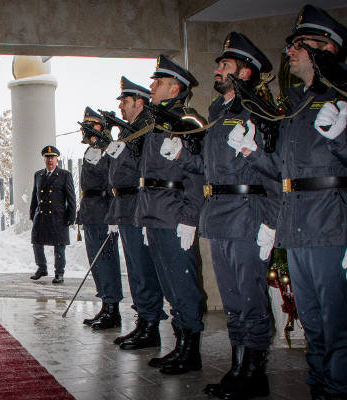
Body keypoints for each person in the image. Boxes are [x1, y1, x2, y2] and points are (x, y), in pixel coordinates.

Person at [239, 6, 347, 399]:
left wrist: (341, 137)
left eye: (301, 45)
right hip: (297, 224)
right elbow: (283, 171)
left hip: (332, 224)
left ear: (327, 49)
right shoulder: (297, 104)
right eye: (293, 45)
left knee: (338, 323)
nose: (292, 52)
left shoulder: (342, 97)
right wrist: (252, 152)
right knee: (313, 321)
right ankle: (320, 386)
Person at [162, 34, 279, 396]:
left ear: (245, 71)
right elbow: (209, 167)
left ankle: (254, 373)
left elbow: (278, 172)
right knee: (232, 301)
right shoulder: (218, 112)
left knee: (249, 297)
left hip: (247, 214)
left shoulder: (260, 111)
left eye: (225, 65)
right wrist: (182, 154)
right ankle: (238, 368)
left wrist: (271, 222)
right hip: (220, 215)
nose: (216, 69)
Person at [133, 54, 207, 375]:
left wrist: (191, 218)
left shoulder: (188, 123)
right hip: (155, 215)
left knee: (184, 284)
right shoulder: (157, 123)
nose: (152, 86)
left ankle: (191, 351)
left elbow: (197, 175)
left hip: (177, 216)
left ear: (175, 87)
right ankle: (179, 345)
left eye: (158, 82)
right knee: (170, 285)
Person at [104, 77, 167, 350]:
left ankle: (150, 324)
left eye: (125, 102)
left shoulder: (147, 129)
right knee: (135, 269)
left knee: (143, 268)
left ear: (139, 102)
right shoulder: (129, 131)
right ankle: (143, 321)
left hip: (139, 204)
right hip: (126, 206)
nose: (121, 107)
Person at [76, 107, 123, 329]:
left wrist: (113, 215)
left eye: (92, 126)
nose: (88, 132)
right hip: (91, 212)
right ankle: (105, 304)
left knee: (106, 261)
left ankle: (113, 308)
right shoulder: (92, 151)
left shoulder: (109, 150)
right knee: (96, 262)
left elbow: (113, 180)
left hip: (105, 211)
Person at [29, 145, 76, 284]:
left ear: (57, 159)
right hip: (41, 216)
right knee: (36, 242)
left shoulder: (64, 175)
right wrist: (33, 213)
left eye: (52, 158)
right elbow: (34, 196)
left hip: (58, 216)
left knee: (59, 246)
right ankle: (42, 268)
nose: (50, 160)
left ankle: (59, 273)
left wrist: (71, 216)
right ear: (44, 159)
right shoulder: (38, 175)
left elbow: (71, 197)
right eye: (47, 158)